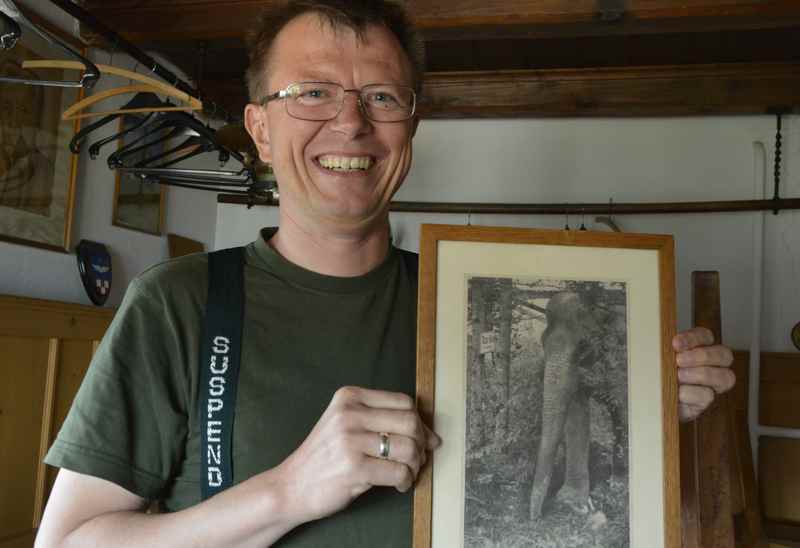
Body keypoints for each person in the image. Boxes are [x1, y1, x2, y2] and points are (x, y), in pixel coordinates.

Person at [35, 1, 735, 546]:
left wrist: (640, 406)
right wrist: (288, 490)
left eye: (381, 97)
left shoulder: (467, 293)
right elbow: (67, 541)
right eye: (311, 92)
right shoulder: (177, 303)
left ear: (410, 127)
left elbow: (534, 482)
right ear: (259, 129)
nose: (350, 121)